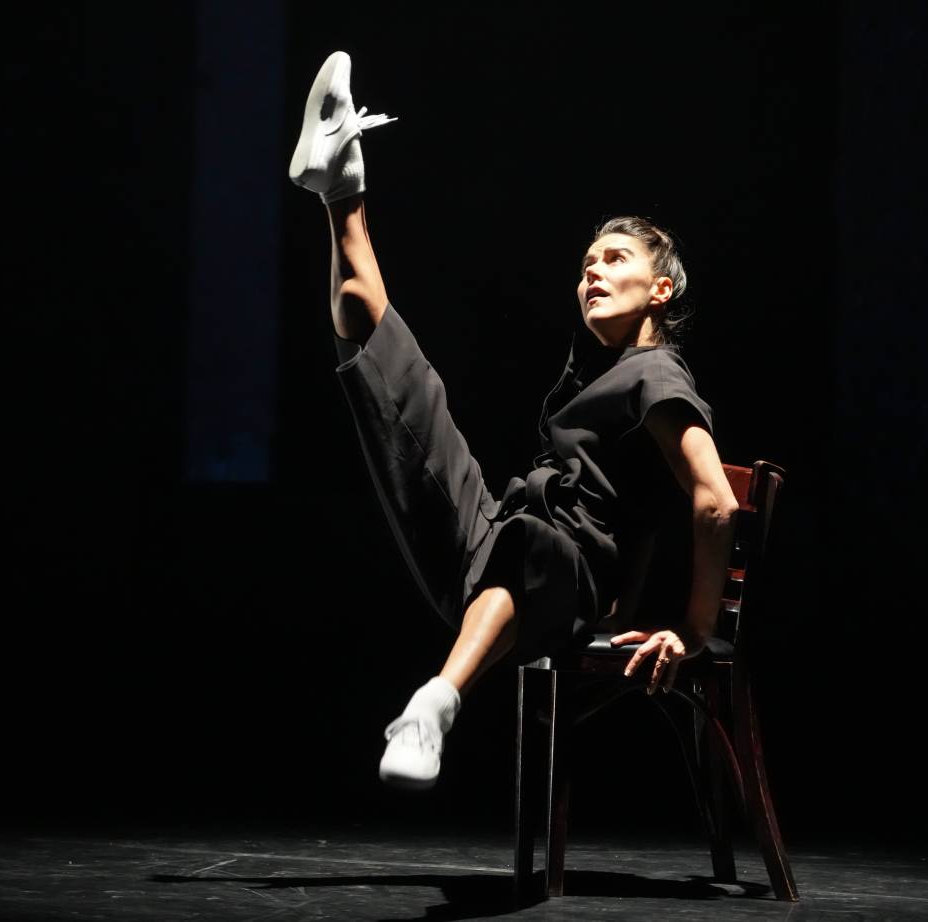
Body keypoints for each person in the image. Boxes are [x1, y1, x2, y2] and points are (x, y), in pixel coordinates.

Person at [288, 51, 739, 791]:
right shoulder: (604, 373)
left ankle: (434, 706)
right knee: (390, 362)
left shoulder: (658, 373)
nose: (591, 272)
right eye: (586, 263)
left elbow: (714, 502)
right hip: (508, 530)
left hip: (564, 575)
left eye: (614, 259)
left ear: (660, 290)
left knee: (529, 541)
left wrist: (693, 631)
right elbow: (645, 515)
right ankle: (341, 186)